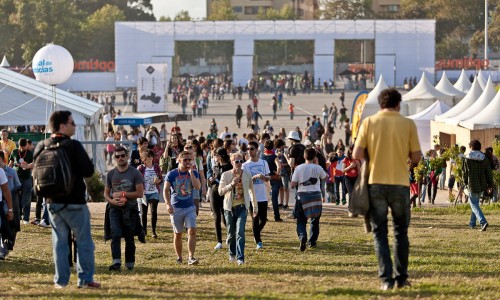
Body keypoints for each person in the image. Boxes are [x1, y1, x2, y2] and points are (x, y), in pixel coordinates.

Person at [353, 88, 421, 290]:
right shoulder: (408, 124)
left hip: (376, 183)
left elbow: (357, 153)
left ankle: (386, 280)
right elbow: (416, 156)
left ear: (381, 104)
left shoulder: (369, 122)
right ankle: (401, 278)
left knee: (379, 233)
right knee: (401, 232)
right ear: (398, 104)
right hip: (400, 183)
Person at [33, 111, 100, 288]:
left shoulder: (42, 145)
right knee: (83, 241)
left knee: (59, 243)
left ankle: (61, 281)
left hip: (52, 202)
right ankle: (85, 279)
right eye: (72, 123)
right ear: (62, 125)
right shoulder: (73, 146)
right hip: (75, 202)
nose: (75, 126)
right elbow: (88, 171)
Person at [105, 146, 144, 272]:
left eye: (122, 155)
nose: (120, 158)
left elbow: (140, 193)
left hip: (131, 209)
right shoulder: (111, 174)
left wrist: (123, 194)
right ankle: (116, 262)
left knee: (129, 237)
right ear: (115, 158)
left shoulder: (135, 173)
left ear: (127, 156)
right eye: (117, 156)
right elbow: (106, 193)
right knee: (115, 234)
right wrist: (112, 200)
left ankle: (129, 263)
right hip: (114, 209)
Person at [219, 153, 258, 265]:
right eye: (237, 162)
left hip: (242, 207)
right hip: (229, 208)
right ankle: (232, 253)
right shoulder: (226, 175)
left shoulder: (246, 174)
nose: (239, 164)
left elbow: (252, 191)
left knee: (240, 231)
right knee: (231, 234)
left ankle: (240, 257)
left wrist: (255, 207)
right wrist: (231, 185)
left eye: (241, 161)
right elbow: (220, 191)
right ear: (232, 162)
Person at [164, 150, 201, 265]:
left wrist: (191, 173)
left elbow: (197, 187)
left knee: (192, 231)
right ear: (179, 160)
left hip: (189, 207)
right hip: (176, 208)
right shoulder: (172, 174)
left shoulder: (194, 173)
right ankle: (179, 257)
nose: (187, 162)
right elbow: (165, 190)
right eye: (185, 160)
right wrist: (168, 204)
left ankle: (191, 257)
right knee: (178, 234)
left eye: (189, 160)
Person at [291, 147, 327, 250]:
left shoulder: (298, 168)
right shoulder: (318, 168)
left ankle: (303, 236)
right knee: (314, 221)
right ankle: (312, 242)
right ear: (314, 157)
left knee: (301, 220)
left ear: (304, 156)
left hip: (302, 197)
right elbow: (325, 177)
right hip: (315, 196)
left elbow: (292, 184)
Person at [242, 141, 271, 250]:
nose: (249, 151)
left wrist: (263, 177)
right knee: (255, 218)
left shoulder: (264, 163)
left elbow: (268, 178)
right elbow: (244, 181)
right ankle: (258, 241)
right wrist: (252, 179)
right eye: (248, 149)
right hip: (251, 196)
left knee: (263, 220)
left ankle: (256, 233)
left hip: (262, 195)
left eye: (252, 148)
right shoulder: (245, 165)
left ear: (257, 149)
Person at [463, 140, 492, 231]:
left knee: (474, 204)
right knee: (475, 203)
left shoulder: (467, 158)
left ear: (471, 147)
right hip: (482, 184)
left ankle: (483, 222)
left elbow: (465, 172)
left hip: (472, 184)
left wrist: (465, 183)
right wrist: (490, 184)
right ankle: (472, 223)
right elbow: (489, 173)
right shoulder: (485, 158)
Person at [208, 148, 232, 250]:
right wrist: (211, 180)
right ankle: (219, 241)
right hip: (214, 192)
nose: (214, 157)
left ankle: (229, 236)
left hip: (225, 193)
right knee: (216, 217)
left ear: (221, 156)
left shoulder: (230, 166)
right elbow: (210, 182)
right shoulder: (215, 166)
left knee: (225, 216)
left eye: (215, 155)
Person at [137, 150, 163, 238]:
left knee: (153, 211)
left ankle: (153, 231)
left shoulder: (156, 167)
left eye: (151, 156)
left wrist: (158, 181)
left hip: (154, 192)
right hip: (143, 193)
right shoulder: (140, 168)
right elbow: (137, 180)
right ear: (144, 159)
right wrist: (141, 189)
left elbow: (161, 179)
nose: (150, 158)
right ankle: (144, 231)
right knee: (143, 213)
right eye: (148, 156)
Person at [9, 138, 34, 224]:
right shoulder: (14, 152)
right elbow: (11, 163)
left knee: (27, 198)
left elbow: (33, 164)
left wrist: (27, 166)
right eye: (22, 147)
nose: (23, 149)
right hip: (16, 178)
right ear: (19, 145)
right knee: (15, 198)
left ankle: (26, 218)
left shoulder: (30, 153)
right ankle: (18, 215)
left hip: (26, 178)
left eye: (25, 147)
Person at [262, 140, 283, 222]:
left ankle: (264, 216)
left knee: (264, 199)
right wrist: (277, 174)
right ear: (273, 147)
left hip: (265, 178)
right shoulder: (274, 157)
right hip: (274, 178)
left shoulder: (262, 157)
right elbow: (279, 167)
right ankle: (276, 217)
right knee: (274, 199)